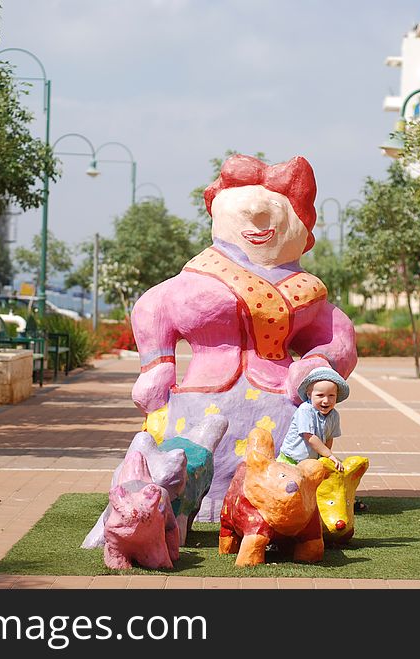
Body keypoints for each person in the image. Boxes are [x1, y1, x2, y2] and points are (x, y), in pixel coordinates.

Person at [130, 154, 358, 521]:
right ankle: (190, 506)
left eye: (274, 211)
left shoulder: (306, 291)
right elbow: (152, 308)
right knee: (190, 467)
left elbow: (339, 337)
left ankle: (282, 509)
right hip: (199, 400)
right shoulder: (197, 276)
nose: (257, 218)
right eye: (246, 211)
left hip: (281, 404)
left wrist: (318, 363)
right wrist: (157, 365)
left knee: (279, 478)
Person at [278, 365, 368, 512]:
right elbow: (310, 437)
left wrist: (325, 457)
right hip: (292, 460)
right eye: (320, 396)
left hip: (312, 462)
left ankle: (347, 501)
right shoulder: (305, 410)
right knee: (288, 490)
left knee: (326, 481)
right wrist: (330, 455)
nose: (326, 401)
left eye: (331, 396)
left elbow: (329, 438)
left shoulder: (333, 415)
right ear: (309, 394)